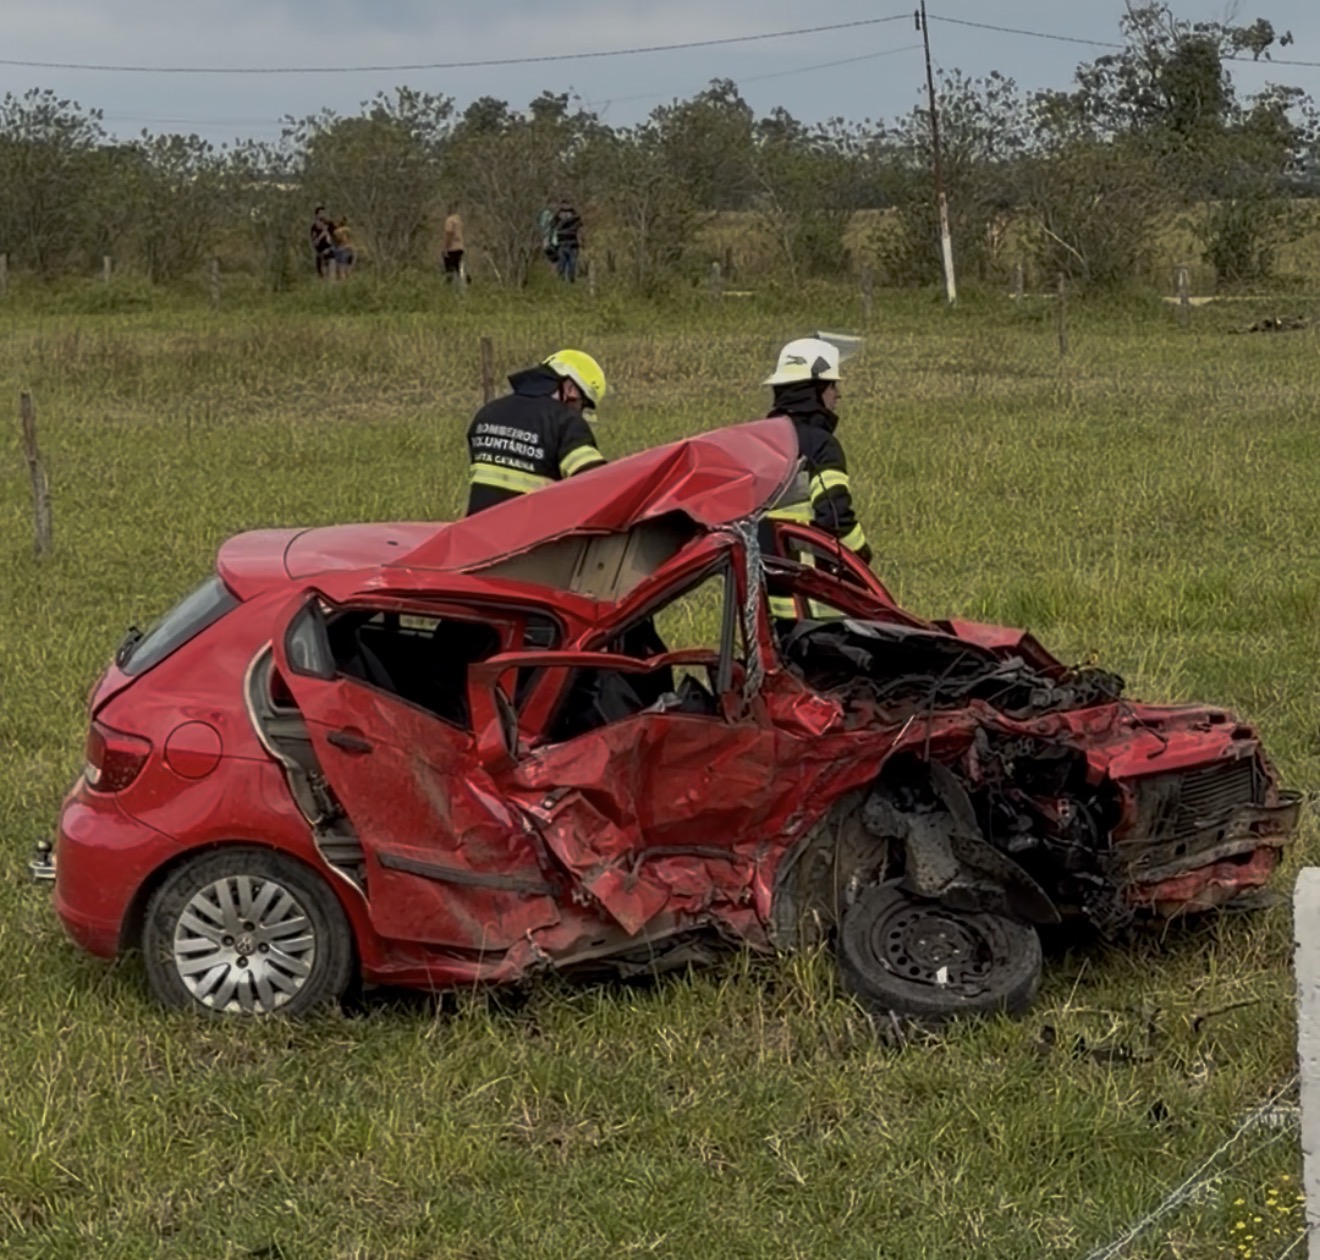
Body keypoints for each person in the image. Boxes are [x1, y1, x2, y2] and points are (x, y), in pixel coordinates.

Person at [762, 336, 871, 563]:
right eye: (832, 385)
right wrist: (860, 555)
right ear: (814, 391)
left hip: (756, 581)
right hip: (803, 583)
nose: (837, 394)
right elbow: (834, 517)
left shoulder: (760, 439)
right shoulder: (819, 445)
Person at [465, 349, 608, 515]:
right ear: (570, 389)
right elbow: (595, 483)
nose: (579, 412)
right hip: (531, 537)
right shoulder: (565, 421)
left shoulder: (486, 414)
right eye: (581, 404)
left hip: (478, 534)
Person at [550, 198, 582, 283]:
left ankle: (568, 280)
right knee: (566, 263)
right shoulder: (574, 214)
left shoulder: (573, 214)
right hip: (566, 243)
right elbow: (580, 226)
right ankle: (565, 281)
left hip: (570, 243)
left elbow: (552, 225)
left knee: (569, 263)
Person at [310, 206, 336, 278]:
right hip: (320, 252)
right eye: (320, 214)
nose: (323, 215)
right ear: (316, 215)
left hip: (330, 250)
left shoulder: (330, 224)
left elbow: (336, 236)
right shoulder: (314, 227)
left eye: (324, 213)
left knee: (331, 272)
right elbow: (314, 239)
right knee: (321, 272)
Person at [442, 204, 465, 283]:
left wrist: (445, 247)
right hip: (460, 247)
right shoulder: (459, 221)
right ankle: (461, 285)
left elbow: (449, 232)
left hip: (452, 248)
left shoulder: (450, 220)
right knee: (458, 268)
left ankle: (450, 284)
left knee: (450, 270)